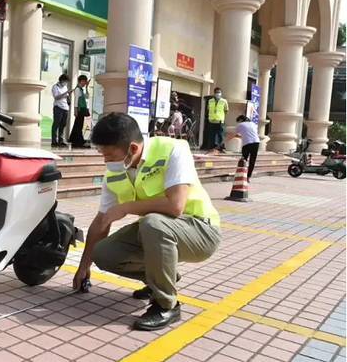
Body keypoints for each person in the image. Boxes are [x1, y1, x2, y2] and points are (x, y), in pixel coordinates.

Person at [72, 113, 221, 331]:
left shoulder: (173, 149)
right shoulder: (114, 173)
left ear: (132, 149)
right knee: (103, 252)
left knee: (152, 223)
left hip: (201, 230)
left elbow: (175, 205)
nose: (106, 161)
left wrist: (126, 208)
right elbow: (101, 221)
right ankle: (160, 280)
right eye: (102, 154)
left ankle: (166, 305)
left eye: (111, 155)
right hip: (158, 230)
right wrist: (84, 266)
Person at [224, 115, 260, 181]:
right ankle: (248, 177)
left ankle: (241, 175)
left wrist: (224, 141)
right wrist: (240, 135)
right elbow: (250, 134)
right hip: (256, 142)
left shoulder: (240, 125)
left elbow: (232, 134)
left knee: (244, 160)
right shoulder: (253, 124)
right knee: (252, 160)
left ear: (240, 120)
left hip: (247, 144)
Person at [68, 75, 91, 148]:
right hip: (79, 109)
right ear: (80, 81)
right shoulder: (77, 89)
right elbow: (76, 100)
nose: (84, 83)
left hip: (82, 109)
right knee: (78, 125)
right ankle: (78, 141)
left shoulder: (81, 89)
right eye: (84, 81)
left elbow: (87, 96)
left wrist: (87, 87)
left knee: (78, 125)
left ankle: (76, 141)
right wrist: (75, 110)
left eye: (85, 81)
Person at [51, 74, 73, 147]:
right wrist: (66, 93)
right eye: (65, 81)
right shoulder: (55, 87)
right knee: (56, 124)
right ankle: (54, 140)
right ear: (62, 80)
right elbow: (56, 97)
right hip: (58, 107)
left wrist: (68, 94)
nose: (66, 83)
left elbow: (66, 96)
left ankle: (61, 140)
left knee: (63, 124)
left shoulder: (65, 87)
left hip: (65, 107)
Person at [208, 87, 229, 152]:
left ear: (221, 93)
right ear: (214, 93)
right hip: (212, 120)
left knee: (221, 135)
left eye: (219, 92)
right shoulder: (210, 101)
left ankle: (222, 148)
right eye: (217, 92)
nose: (218, 94)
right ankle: (213, 148)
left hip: (220, 121)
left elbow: (226, 110)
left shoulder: (224, 101)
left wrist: (221, 117)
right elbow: (208, 109)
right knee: (212, 135)